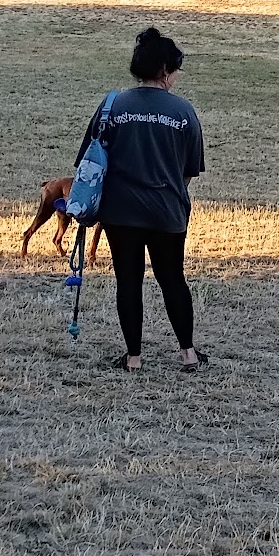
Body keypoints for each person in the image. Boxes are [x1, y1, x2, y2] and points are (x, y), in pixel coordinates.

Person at [76, 27, 208, 371]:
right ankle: (188, 353)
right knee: (173, 279)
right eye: (176, 69)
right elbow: (190, 170)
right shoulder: (184, 112)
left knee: (129, 281)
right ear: (165, 70)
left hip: (120, 213)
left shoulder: (112, 106)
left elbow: (89, 161)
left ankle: (133, 357)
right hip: (167, 212)